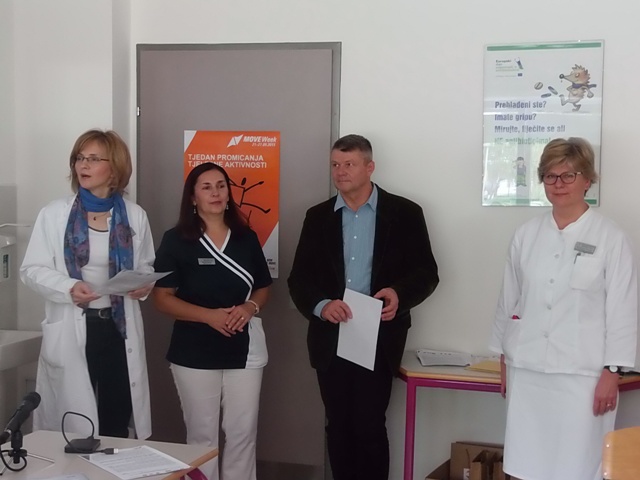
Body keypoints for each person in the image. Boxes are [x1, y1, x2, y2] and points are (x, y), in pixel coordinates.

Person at [288, 134, 439, 480]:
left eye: (349, 164)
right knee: (338, 424)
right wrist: (322, 305)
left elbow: (427, 273)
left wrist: (399, 294)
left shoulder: (405, 213)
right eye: (335, 165)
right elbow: (299, 279)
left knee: (370, 425)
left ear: (370, 167)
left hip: (379, 334)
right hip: (331, 335)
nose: (340, 172)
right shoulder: (317, 217)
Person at [490, 137, 638, 480]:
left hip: (582, 376)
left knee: (578, 467)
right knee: (526, 465)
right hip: (527, 370)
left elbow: (623, 308)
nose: (559, 184)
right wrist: (503, 359)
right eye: (550, 176)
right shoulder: (526, 235)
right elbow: (509, 300)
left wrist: (612, 372)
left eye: (569, 175)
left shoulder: (610, 237)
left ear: (587, 180)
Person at [20, 129, 154, 439]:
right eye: (79, 158)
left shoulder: (134, 216)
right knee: (73, 422)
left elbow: (145, 264)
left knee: (115, 416)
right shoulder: (54, 214)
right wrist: (68, 287)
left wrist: (142, 285)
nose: (83, 165)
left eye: (93, 159)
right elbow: (32, 269)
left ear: (115, 168)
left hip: (118, 328)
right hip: (75, 325)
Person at [152, 162, 272, 480]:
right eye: (206, 187)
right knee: (201, 436)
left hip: (244, 349)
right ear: (193, 197)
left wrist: (249, 307)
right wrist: (209, 316)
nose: (216, 193)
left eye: (221, 185)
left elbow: (263, 287)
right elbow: (162, 298)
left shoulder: (246, 237)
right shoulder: (176, 240)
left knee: (243, 433)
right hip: (194, 350)